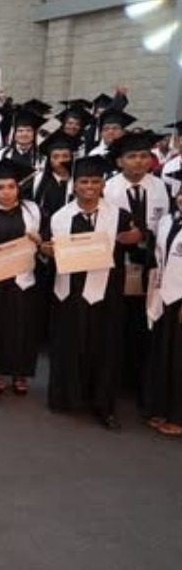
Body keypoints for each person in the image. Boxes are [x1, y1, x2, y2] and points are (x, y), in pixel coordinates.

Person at [41, 155, 141, 430]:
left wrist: (135, 237)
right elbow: (48, 250)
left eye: (95, 181)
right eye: (84, 181)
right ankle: (67, 397)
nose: (89, 187)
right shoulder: (59, 217)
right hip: (69, 293)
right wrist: (46, 250)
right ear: (74, 185)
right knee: (69, 344)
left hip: (105, 293)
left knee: (104, 348)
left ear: (103, 185)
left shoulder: (119, 216)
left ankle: (103, 404)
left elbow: (135, 243)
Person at [104, 131, 171, 406]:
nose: (139, 161)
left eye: (144, 156)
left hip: (150, 263)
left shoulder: (160, 187)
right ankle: (116, 378)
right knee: (118, 320)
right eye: (132, 156)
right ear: (120, 161)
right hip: (118, 262)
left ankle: (141, 379)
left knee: (145, 321)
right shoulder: (108, 188)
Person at [0, 159, 44, 393]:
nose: (6, 192)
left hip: (22, 279)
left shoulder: (33, 210)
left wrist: (40, 240)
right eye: (1, 187)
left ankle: (19, 374)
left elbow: (48, 239)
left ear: (18, 188)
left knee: (21, 328)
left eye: (11, 186)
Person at [145, 188, 182, 436]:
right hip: (164, 295)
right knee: (164, 353)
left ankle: (178, 417)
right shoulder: (168, 220)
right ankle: (162, 408)